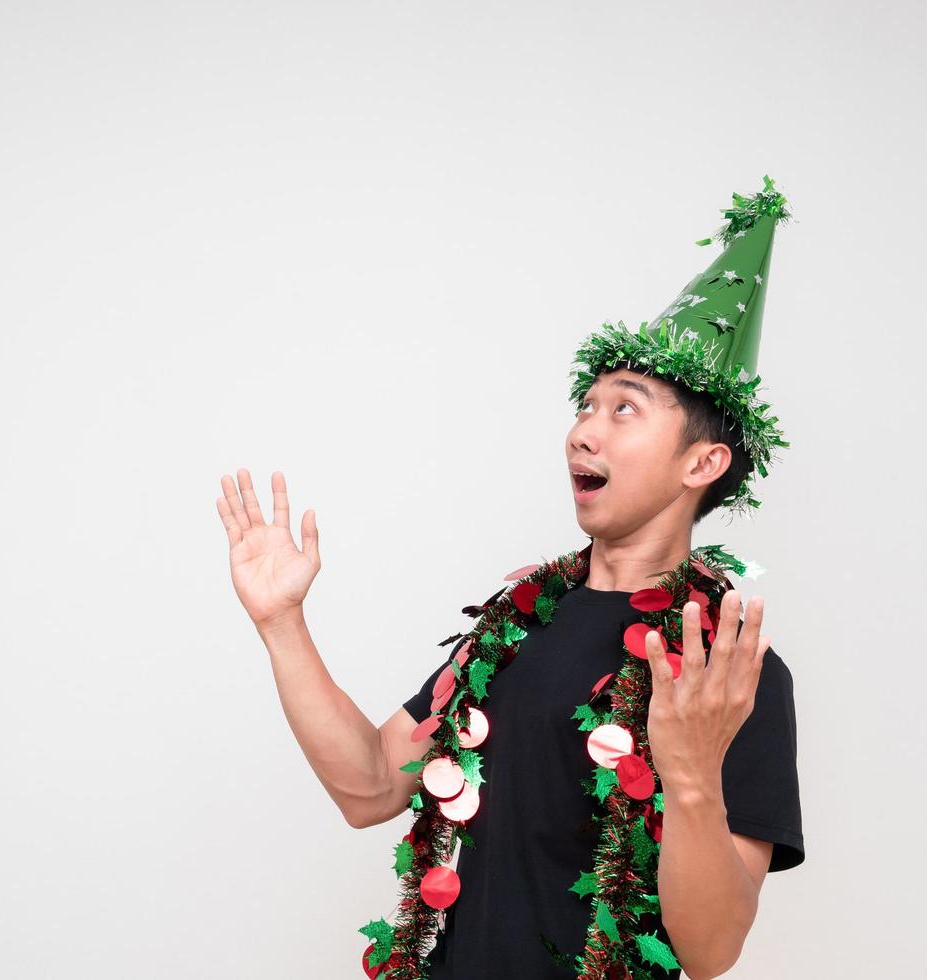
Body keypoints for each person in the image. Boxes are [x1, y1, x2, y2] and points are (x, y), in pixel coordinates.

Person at [216, 175, 803, 979]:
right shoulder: (513, 628)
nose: (580, 431)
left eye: (622, 409)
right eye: (584, 406)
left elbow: (709, 951)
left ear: (702, 462)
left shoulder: (728, 672)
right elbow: (368, 790)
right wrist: (280, 624)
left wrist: (692, 775)